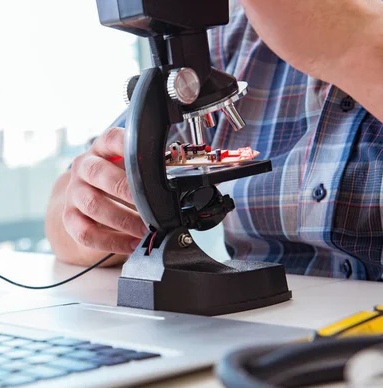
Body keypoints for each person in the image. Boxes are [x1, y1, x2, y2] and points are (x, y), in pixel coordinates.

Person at [45, 0, 383, 281]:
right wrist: (96, 209)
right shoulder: (235, 27)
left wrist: (347, 47)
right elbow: (67, 206)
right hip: (256, 335)